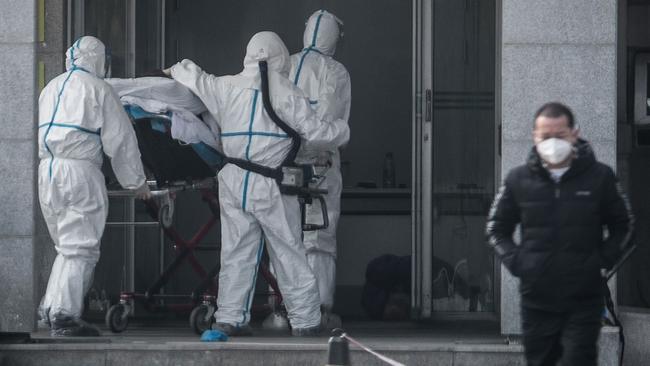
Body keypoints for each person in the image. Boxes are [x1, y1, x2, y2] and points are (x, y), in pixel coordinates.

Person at [165, 31, 350, 336]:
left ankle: (230, 318)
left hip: (234, 181)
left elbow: (196, 77)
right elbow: (317, 134)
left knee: (236, 253)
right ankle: (306, 321)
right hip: (271, 183)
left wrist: (173, 69)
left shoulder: (225, 86)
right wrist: (342, 130)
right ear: (279, 57)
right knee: (289, 251)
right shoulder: (288, 93)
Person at [486, 102, 634, 366]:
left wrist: (601, 261)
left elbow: (624, 225)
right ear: (535, 137)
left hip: (583, 299)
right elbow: (496, 228)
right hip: (537, 300)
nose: (552, 143)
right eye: (545, 136)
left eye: (560, 135)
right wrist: (519, 263)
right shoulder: (518, 180)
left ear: (574, 134)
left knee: (576, 361)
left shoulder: (600, 177)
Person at [38, 36, 150, 336]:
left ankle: (50, 308)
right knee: (81, 246)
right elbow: (122, 141)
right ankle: (64, 315)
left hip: (47, 172)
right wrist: (137, 183)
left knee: (66, 245)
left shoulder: (50, 88)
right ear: (99, 59)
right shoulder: (99, 89)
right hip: (79, 172)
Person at [289, 9, 351, 330]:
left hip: (282, 164)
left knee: (286, 234)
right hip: (321, 165)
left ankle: (287, 308)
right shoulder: (335, 72)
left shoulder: (284, 65)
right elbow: (327, 119)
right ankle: (320, 309)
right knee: (318, 236)